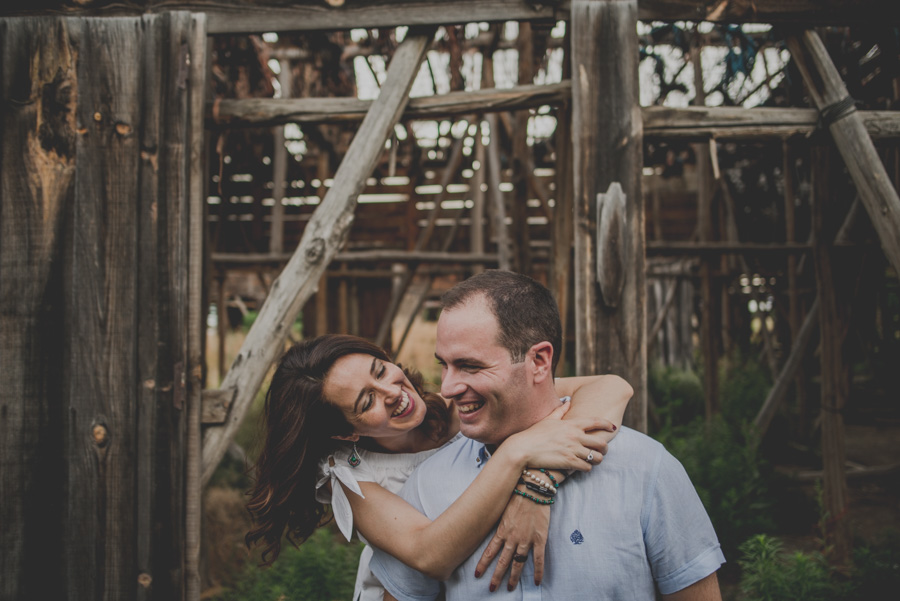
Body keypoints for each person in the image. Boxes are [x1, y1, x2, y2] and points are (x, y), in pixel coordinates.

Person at [371, 270, 726, 600]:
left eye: (470, 365)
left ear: (539, 361)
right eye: (443, 365)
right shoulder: (427, 486)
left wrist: (535, 486)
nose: (447, 387)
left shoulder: (646, 471)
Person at [245, 333, 633, 601]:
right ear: (346, 435)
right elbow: (430, 555)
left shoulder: (467, 407)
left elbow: (612, 387)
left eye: (380, 371)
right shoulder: (350, 477)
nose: (395, 394)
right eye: (368, 403)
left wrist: (536, 485)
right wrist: (517, 452)